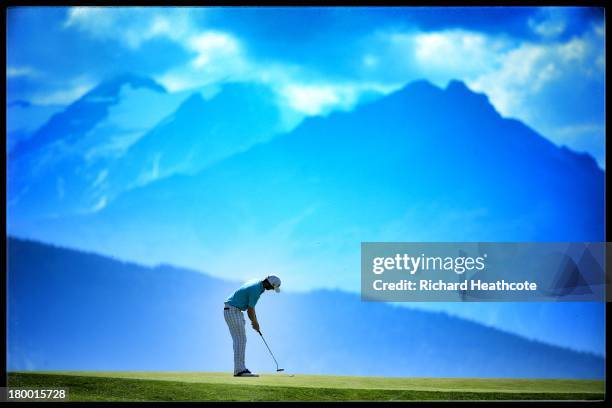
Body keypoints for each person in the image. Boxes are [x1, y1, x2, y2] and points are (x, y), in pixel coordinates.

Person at [223, 275, 281, 377]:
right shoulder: (256, 291)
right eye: (272, 287)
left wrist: (255, 322)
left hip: (232, 310)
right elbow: (250, 311)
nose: (271, 290)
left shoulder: (256, 282)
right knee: (240, 340)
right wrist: (255, 323)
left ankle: (239, 369)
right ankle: (240, 370)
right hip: (233, 310)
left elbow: (251, 309)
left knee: (239, 340)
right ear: (269, 284)